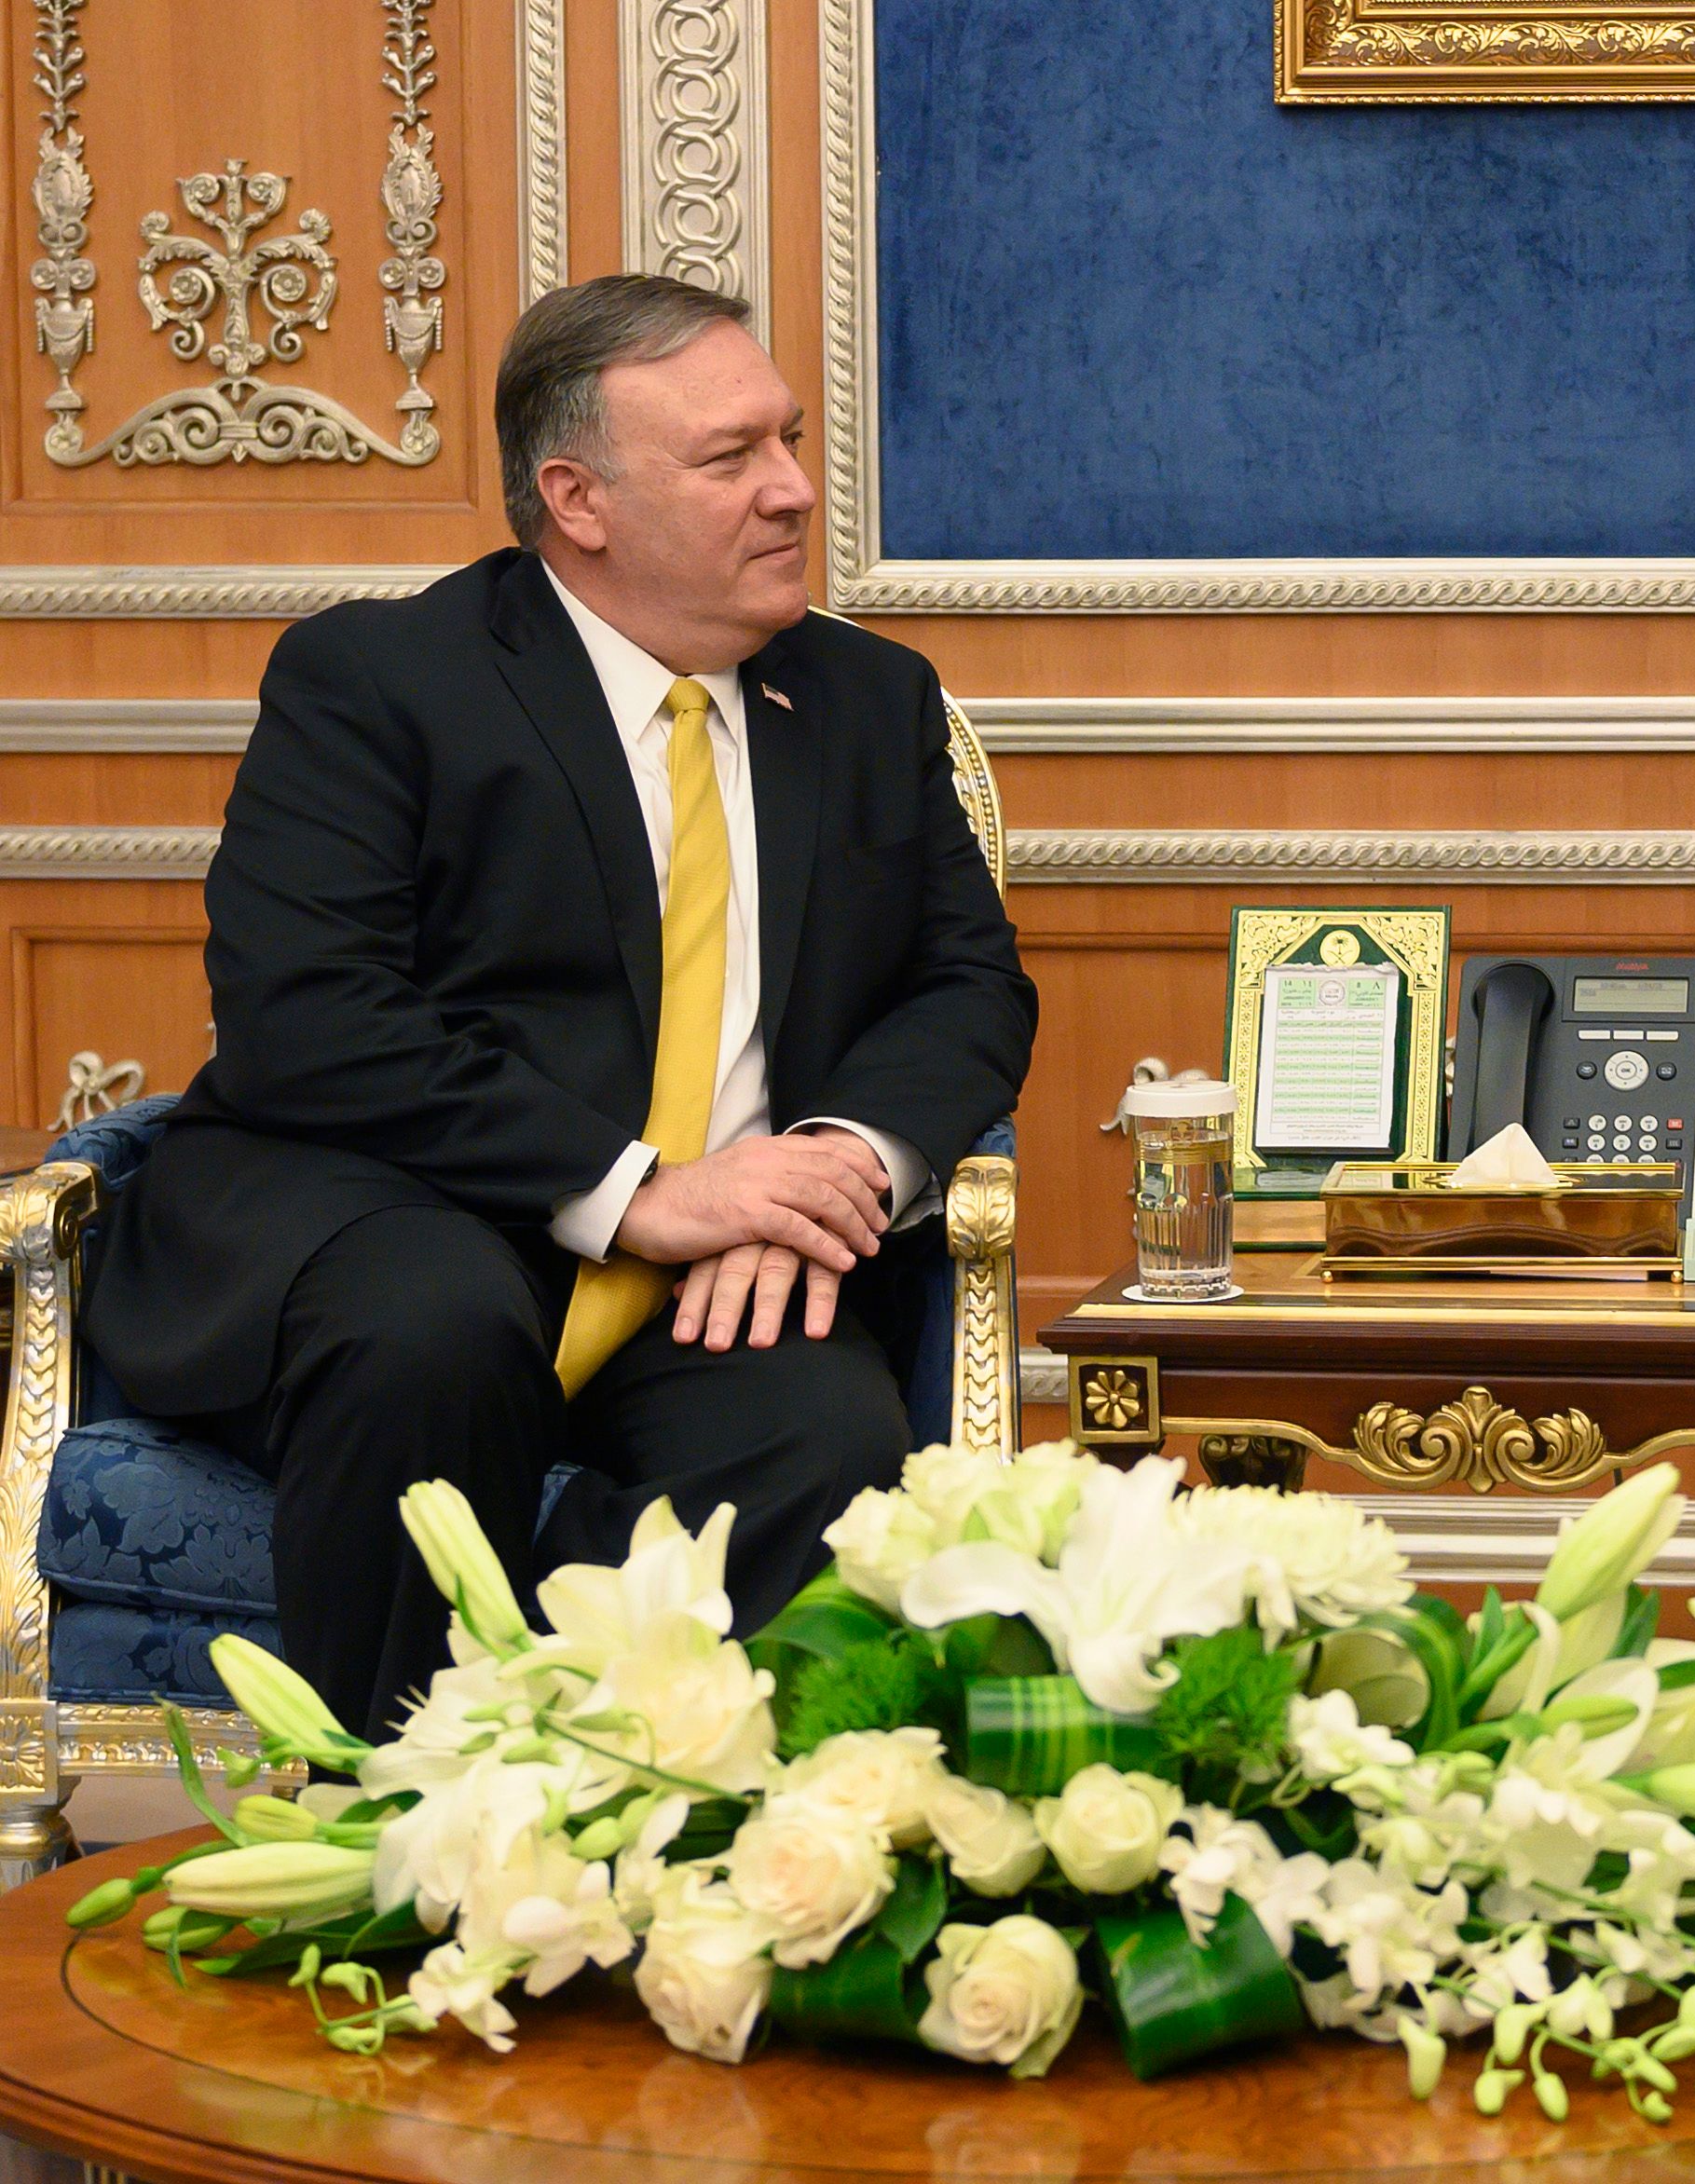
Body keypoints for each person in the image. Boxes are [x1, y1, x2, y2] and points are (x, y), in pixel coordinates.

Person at [87, 275, 1039, 1742]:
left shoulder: (868, 700)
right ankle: (386, 1822)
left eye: (788, 441)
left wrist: (841, 1160)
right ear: (576, 499)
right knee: (432, 1334)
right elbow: (308, 1013)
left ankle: (635, 1818)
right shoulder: (379, 681)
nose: (793, 492)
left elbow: (969, 983)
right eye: (733, 460)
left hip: (722, 1269)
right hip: (406, 1211)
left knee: (832, 1429)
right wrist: (638, 1194)